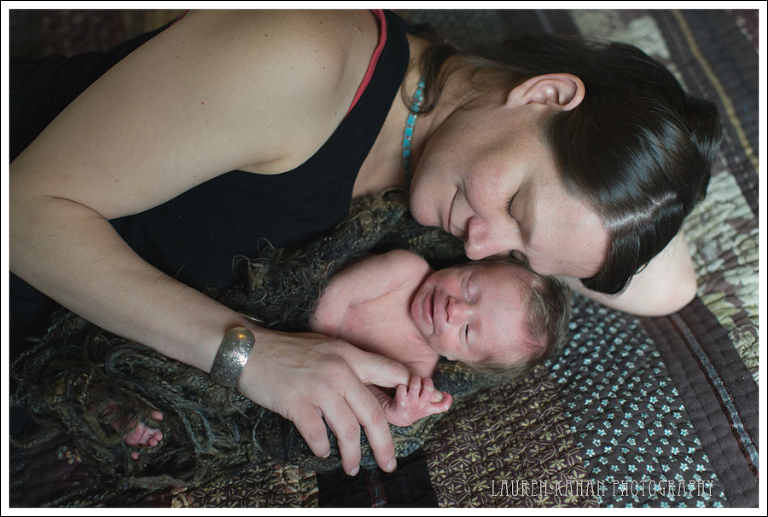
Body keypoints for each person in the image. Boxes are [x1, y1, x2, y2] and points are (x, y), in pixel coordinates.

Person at [9, 9, 721, 477]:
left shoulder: (452, 157)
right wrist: (254, 355)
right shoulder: (302, 59)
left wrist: (622, 178)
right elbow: (19, 213)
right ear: (543, 95)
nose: (480, 247)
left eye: (519, 254)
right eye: (514, 207)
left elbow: (670, 286)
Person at [110, 249, 570, 457]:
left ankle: (131, 408)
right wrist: (318, 347)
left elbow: (366, 405)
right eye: (469, 288)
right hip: (275, 330)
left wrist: (399, 412)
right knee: (203, 333)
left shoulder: (417, 369)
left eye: (468, 331)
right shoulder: (406, 270)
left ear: (463, 364)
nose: (454, 309)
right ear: (465, 263)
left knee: (211, 405)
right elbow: (335, 293)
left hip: (285, 385)